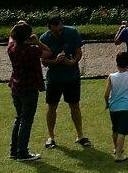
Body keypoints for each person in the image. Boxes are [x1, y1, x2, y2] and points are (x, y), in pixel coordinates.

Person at [39, 16, 91, 149]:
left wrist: (72, 62)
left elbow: (78, 53)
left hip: (71, 77)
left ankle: (80, 135)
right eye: (55, 29)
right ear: (49, 27)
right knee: (52, 107)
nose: (58, 31)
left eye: (60, 28)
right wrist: (55, 61)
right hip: (54, 78)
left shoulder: (72, 32)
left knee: (75, 105)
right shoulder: (44, 38)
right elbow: (44, 61)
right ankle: (51, 137)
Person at [7, 21, 50, 162]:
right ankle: (22, 152)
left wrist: (17, 27)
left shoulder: (12, 48)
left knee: (19, 118)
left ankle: (14, 150)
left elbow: (11, 37)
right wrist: (37, 42)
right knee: (26, 120)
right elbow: (48, 52)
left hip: (16, 87)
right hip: (29, 88)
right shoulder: (32, 50)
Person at [104, 51, 128, 162]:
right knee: (122, 132)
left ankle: (116, 148)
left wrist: (107, 103)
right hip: (125, 107)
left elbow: (106, 94)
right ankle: (119, 155)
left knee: (115, 129)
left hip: (113, 106)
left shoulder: (111, 77)